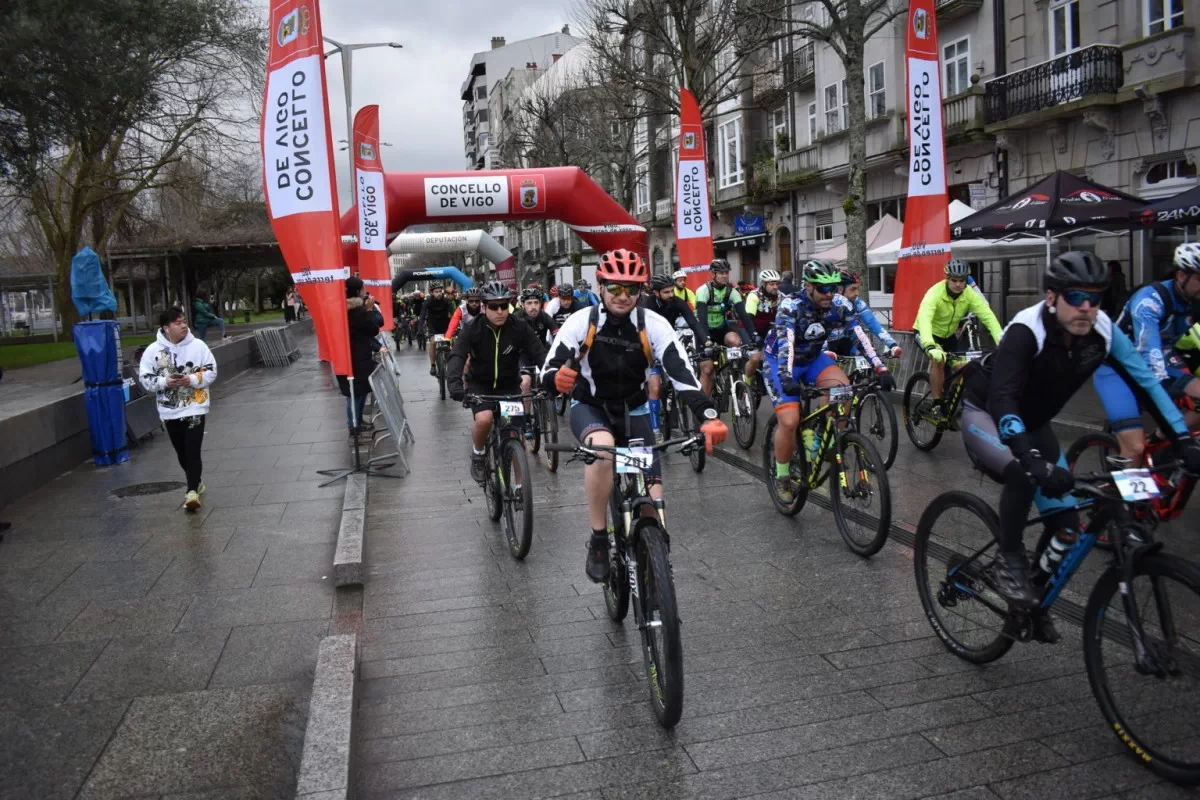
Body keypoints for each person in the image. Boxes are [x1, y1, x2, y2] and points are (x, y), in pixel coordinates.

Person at [960, 251, 1200, 628]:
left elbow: (1147, 382)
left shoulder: (1102, 330)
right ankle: (1008, 560)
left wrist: (1183, 439)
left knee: (1068, 526)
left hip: (1035, 425)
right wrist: (1031, 459)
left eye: (1095, 297)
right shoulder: (1027, 330)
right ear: (1052, 297)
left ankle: (1029, 603)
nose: (1086, 307)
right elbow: (1002, 399)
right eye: (1075, 297)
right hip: (986, 415)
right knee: (1022, 473)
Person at [541, 249, 728, 582]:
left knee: (652, 504)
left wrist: (708, 414)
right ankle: (599, 537)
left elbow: (681, 374)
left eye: (631, 288)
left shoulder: (651, 323)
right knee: (602, 450)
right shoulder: (582, 321)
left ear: (641, 291)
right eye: (615, 287)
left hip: (635, 409)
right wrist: (555, 378)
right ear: (601, 287)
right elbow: (551, 366)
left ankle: (653, 550)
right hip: (592, 407)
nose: (623, 296)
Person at [764, 260, 894, 503]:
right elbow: (786, 344)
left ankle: (825, 438)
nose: (829, 294)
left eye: (833, 287)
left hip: (814, 359)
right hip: (782, 361)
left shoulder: (839, 304)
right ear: (808, 286)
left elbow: (858, 335)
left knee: (843, 389)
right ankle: (782, 476)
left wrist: (880, 367)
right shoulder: (791, 306)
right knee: (790, 420)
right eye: (823, 289)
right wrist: (786, 377)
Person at [1095, 243, 1200, 462]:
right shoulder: (1149, 300)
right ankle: (1124, 492)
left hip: (1163, 354)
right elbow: (1148, 351)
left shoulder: (1193, 299)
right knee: (1134, 447)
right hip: (1117, 365)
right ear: (1182, 275)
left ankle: (1161, 445)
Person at [447, 281, 547, 482]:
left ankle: (520, 487)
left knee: (515, 436)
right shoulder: (472, 328)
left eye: (504, 305)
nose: (500, 311)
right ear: (484, 307)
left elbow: (539, 353)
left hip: (510, 386)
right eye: (494, 306)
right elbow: (457, 356)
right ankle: (478, 452)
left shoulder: (519, 327)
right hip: (480, 386)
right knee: (484, 419)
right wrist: (455, 385)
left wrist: (550, 377)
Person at [139, 306, 218, 511]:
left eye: (184, 321)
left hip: (195, 407)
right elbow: (145, 379)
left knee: (192, 450)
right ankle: (197, 482)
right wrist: (166, 382)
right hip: (170, 411)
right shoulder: (152, 351)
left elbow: (211, 371)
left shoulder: (199, 346)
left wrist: (190, 379)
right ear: (166, 328)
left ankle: (191, 492)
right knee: (182, 453)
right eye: (178, 322)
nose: (184, 325)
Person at [914, 259, 1004, 417]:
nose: (958, 284)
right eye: (954, 280)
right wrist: (930, 345)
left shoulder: (969, 294)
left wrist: (1002, 340)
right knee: (939, 361)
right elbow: (925, 318)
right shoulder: (934, 293)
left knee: (962, 368)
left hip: (948, 336)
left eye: (961, 281)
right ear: (947, 279)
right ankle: (936, 403)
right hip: (926, 333)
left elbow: (987, 316)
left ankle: (950, 401)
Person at [642, 273, 713, 435]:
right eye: (666, 292)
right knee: (655, 387)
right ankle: (655, 430)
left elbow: (694, 323)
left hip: (667, 341)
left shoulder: (677, 302)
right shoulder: (647, 304)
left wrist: (706, 342)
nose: (671, 295)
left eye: (671, 291)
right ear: (656, 292)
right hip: (649, 344)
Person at [694, 260, 755, 394]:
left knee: (735, 341)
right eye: (721, 273)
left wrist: (754, 335)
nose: (725, 276)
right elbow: (702, 320)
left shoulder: (732, 292)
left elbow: (744, 316)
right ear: (713, 274)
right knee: (707, 369)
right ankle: (704, 408)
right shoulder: (703, 291)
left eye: (726, 273)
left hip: (721, 328)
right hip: (704, 331)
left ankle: (733, 375)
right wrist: (707, 341)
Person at [335, 277, 382, 442]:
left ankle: (357, 422)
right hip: (358, 357)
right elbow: (372, 329)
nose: (364, 292)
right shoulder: (359, 311)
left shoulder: (343, 309)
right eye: (362, 289)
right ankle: (353, 428)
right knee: (355, 394)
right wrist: (370, 310)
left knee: (358, 392)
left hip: (348, 356)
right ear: (357, 291)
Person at [827, 271, 903, 359]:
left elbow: (872, 323)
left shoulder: (857, 302)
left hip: (848, 342)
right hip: (826, 344)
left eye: (857, 289)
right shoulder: (826, 303)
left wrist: (892, 345)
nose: (857, 293)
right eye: (853, 289)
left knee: (870, 357)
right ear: (840, 290)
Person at [741, 269, 782, 385]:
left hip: (767, 329)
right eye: (771, 284)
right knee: (755, 358)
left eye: (777, 284)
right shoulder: (754, 295)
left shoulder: (780, 296)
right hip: (751, 328)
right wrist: (754, 335)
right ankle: (747, 382)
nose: (775, 287)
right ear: (763, 284)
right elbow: (748, 318)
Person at [419, 282, 456, 376]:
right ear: (432, 293)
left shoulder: (446, 300)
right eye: (436, 292)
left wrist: (456, 327)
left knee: (451, 343)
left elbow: (453, 315)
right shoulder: (428, 302)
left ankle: (450, 361)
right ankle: (433, 365)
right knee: (433, 342)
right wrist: (420, 330)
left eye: (440, 291)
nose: (439, 293)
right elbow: (422, 315)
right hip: (433, 325)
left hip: (445, 325)